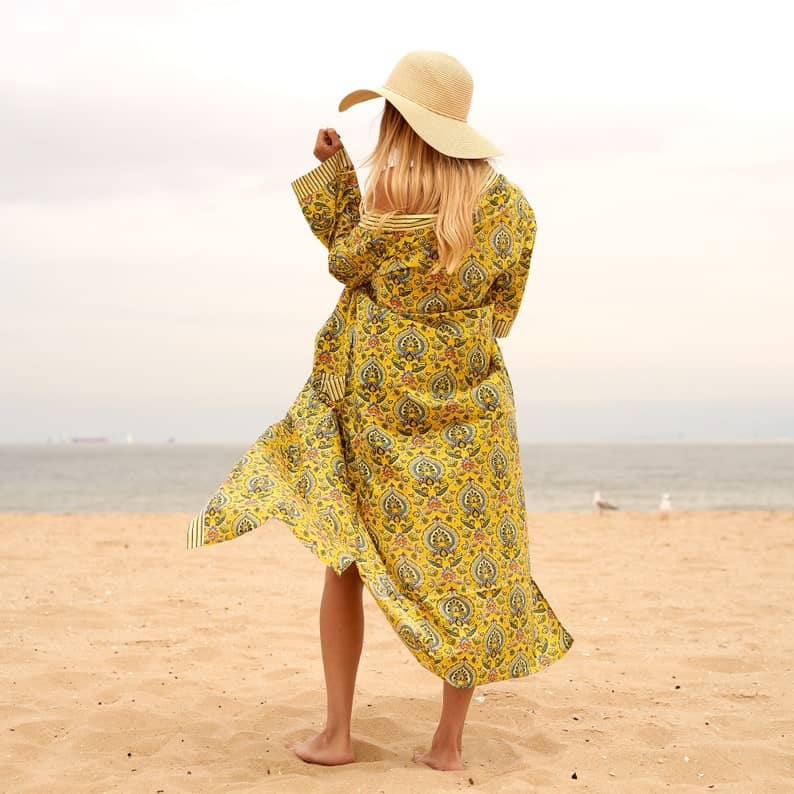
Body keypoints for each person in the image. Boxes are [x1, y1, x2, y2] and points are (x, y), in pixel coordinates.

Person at [186, 50, 574, 772]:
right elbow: (504, 312)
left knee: (349, 555)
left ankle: (337, 733)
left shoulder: (393, 190)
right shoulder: (514, 207)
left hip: (375, 400)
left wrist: (337, 176)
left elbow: (345, 260)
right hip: (471, 403)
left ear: (402, 118)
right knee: (472, 563)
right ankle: (448, 744)